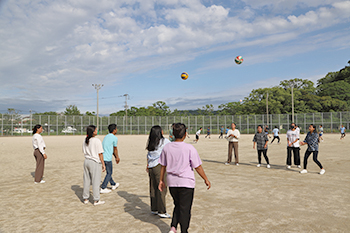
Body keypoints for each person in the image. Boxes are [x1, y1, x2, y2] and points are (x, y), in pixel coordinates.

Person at [159, 123, 211, 233]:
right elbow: (197, 167)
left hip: (172, 183)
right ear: (185, 134)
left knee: (178, 205)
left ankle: (173, 227)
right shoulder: (189, 148)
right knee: (185, 209)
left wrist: (161, 180)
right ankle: (184, 231)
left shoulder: (167, 147)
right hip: (186, 183)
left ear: (173, 134)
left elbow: (163, 165)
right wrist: (205, 179)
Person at [146, 125, 171, 218]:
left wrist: (147, 165)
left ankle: (154, 208)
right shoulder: (164, 141)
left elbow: (148, 155)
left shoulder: (151, 142)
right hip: (159, 166)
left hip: (151, 166)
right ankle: (162, 210)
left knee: (153, 188)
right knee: (161, 188)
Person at [82, 125, 106, 205]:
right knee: (96, 181)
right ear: (93, 132)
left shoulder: (85, 140)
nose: (97, 130)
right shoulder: (97, 141)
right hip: (94, 162)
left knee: (86, 180)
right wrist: (103, 164)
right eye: (96, 130)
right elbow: (100, 154)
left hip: (86, 161)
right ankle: (96, 200)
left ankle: (85, 198)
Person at [100, 124, 120, 194]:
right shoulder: (114, 138)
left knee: (108, 172)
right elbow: (115, 149)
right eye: (116, 129)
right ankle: (103, 187)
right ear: (114, 130)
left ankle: (113, 184)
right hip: (107, 158)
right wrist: (117, 157)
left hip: (102, 157)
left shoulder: (106, 137)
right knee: (109, 172)